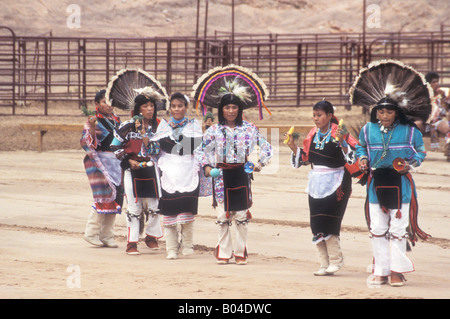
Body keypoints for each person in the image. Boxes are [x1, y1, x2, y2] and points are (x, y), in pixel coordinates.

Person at [356, 96, 430, 286]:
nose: (384, 115)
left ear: (397, 112)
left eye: (389, 112)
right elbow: (360, 147)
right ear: (376, 112)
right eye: (381, 112)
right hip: (376, 184)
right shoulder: (368, 130)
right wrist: (363, 159)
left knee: (398, 230)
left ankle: (396, 271)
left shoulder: (410, 131)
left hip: (400, 184)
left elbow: (421, 152)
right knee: (378, 229)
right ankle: (381, 271)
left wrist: (409, 164)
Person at [195, 90, 273, 265]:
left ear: (240, 109)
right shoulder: (213, 130)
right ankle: (223, 252)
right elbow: (200, 150)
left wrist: (259, 163)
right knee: (222, 215)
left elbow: (267, 147)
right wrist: (208, 168)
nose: (231, 111)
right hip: (221, 175)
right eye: (227, 107)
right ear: (221, 109)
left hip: (242, 174)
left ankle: (240, 252)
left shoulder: (250, 128)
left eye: (234, 107)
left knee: (241, 215)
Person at [285, 100, 360, 276]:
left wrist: (342, 143)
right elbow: (304, 159)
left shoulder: (340, 133)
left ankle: (336, 260)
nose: (316, 119)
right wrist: (293, 147)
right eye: (314, 115)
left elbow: (353, 157)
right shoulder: (313, 134)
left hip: (337, 181)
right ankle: (323, 263)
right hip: (316, 182)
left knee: (330, 221)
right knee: (316, 222)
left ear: (329, 116)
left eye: (319, 115)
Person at [151, 92, 205, 260]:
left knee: (187, 210)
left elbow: (197, 146)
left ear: (186, 107)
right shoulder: (163, 126)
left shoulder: (193, 125)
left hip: (188, 169)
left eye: (180, 106)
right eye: (173, 106)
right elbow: (155, 149)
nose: (176, 109)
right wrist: (147, 142)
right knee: (169, 212)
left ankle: (188, 245)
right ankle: (171, 249)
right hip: (169, 170)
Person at [111, 91, 163, 255]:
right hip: (131, 169)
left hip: (152, 168)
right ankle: (132, 242)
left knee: (156, 205)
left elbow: (161, 148)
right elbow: (114, 146)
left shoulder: (160, 126)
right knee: (134, 206)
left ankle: (151, 236)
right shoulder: (127, 126)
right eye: (145, 106)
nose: (149, 109)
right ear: (138, 109)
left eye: (152, 106)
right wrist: (127, 161)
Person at [81, 89, 123, 248]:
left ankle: (107, 235)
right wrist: (92, 127)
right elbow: (89, 144)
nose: (108, 105)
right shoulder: (94, 120)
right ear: (97, 104)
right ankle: (91, 233)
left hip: (116, 162)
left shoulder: (116, 120)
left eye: (110, 101)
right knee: (103, 197)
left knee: (116, 197)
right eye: (105, 101)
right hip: (101, 162)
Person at [424, 72, 450, 154]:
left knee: (448, 127)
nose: (436, 84)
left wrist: (444, 99)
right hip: (425, 121)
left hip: (438, 120)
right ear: (428, 84)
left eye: (437, 81)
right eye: (433, 82)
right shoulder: (422, 95)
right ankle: (415, 150)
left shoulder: (441, 94)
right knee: (415, 126)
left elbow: (446, 109)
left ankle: (448, 147)